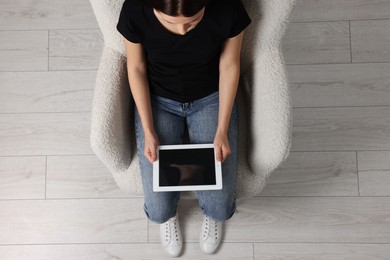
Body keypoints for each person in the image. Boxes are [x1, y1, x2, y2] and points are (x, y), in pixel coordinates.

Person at [117, 0, 251, 256]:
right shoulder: (135, 9)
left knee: (221, 209)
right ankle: (170, 215)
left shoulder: (228, 7)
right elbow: (136, 67)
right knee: (158, 212)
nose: (182, 31)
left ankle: (209, 212)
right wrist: (148, 129)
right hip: (159, 100)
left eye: (192, 21)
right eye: (170, 22)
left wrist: (222, 129)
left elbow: (229, 65)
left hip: (210, 97)